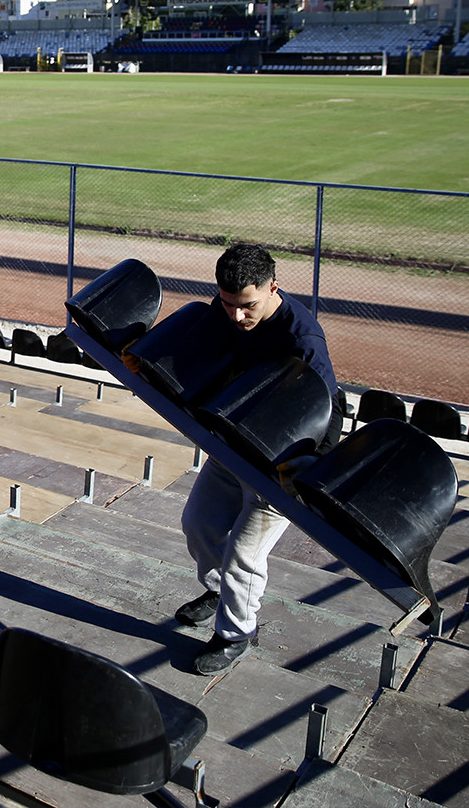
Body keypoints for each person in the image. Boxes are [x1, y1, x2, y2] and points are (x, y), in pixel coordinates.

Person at [174, 243, 343, 676]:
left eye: (246, 306)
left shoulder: (302, 340)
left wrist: (303, 476)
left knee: (244, 555)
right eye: (227, 304)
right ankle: (219, 592)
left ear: (273, 287)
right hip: (237, 441)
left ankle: (235, 634)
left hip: (281, 461)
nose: (235, 316)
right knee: (199, 524)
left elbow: (328, 412)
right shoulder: (227, 310)